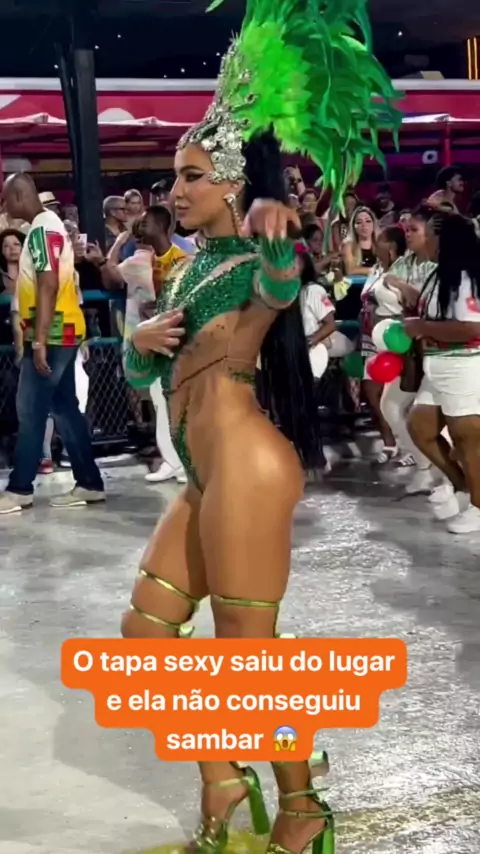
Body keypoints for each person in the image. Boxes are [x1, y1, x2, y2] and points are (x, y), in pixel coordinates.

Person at [120, 0, 400, 849]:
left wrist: (280, 238)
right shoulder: (183, 271)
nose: (176, 192)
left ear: (234, 185)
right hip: (206, 473)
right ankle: (220, 773)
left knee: (247, 653)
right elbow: (149, 376)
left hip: (245, 464)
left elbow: (280, 286)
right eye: (175, 177)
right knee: (147, 630)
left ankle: (302, 804)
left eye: (192, 176)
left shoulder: (247, 256)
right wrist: (136, 344)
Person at [0, 173, 104, 514]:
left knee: (30, 409)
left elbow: (47, 284)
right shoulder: (46, 227)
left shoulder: (42, 230)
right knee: (65, 409)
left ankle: (19, 489)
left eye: (5, 198)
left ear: (19, 196)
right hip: (61, 329)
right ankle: (89, 483)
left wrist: (40, 340)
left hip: (53, 332)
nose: (4, 206)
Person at [407, 211, 480, 534]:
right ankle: (463, 487)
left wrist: (422, 327)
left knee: (468, 440)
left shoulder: (464, 277)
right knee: (420, 427)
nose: (425, 239)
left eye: (430, 234)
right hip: (438, 365)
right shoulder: (440, 274)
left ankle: (479, 508)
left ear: (444, 240)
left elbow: (472, 328)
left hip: (462, 365)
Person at [379, 206, 438, 488]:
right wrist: (401, 288)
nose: (408, 234)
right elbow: (386, 280)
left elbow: (423, 300)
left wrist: (402, 288)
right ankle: (425, 467)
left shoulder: (440, 265)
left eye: (414, 229)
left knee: (435, 418)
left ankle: (450, 482)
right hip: (409, 347)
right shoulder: (406, 262)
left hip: (438, 349)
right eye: (407, 229)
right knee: (390, 405)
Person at [360, 226, 407, 463]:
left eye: (379, 240)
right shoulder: (376, 269)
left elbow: (409, 305)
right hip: (371, 336)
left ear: (392, 246)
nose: (374, 243)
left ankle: (409, 446)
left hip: (395, 337)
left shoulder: (403, 270)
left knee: (398, 396)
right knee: (371, 391)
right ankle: (389, 442)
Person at [341, 205, 378, 276]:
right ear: (354, 227)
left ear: (374, 225)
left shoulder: (380, 245)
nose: (364, 225)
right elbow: (350, 271)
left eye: (368, 221)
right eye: (359, 222)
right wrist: (374, 271)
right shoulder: (348, 246)